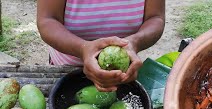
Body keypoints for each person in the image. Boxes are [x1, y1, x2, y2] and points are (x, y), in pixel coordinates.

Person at [37, 0, 165, 92]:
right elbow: (47, 20)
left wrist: (135, 42)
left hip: (121, 75)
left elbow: (155, 18)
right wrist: (83, 49)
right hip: (66, 70)